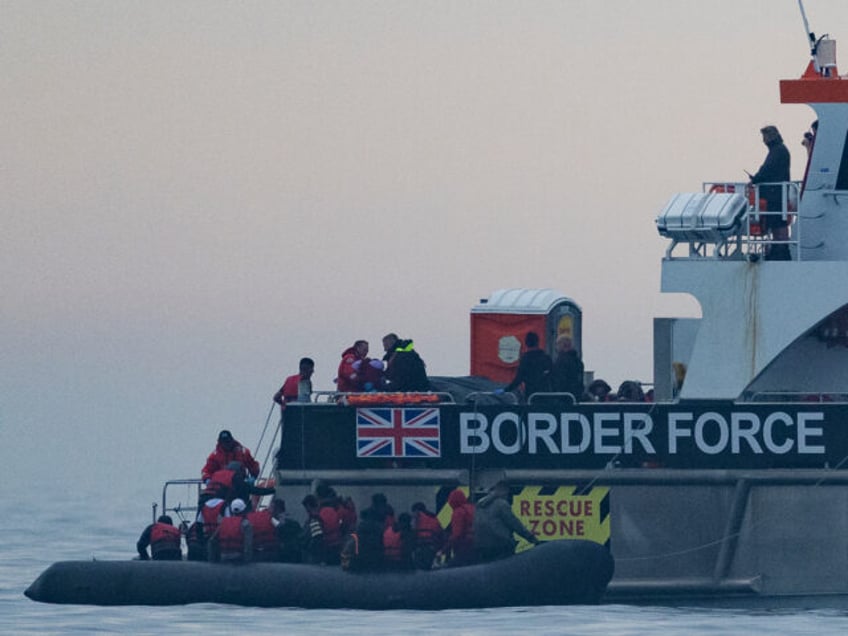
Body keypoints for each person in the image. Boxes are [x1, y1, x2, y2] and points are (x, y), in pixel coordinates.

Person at [749, 125, 791, 260]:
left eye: (764, 136)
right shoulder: (780, 150)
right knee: (777, 222)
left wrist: (756, 179)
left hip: (775, 194)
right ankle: (780, 248)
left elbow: (767, 169)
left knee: (778, 222)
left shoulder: (777, 151)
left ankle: (781, 250)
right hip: (776, 193)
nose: (763, 140)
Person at [473, 481, 539, 563]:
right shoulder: (501, 504)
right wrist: (531, 538)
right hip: (500, 545)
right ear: (503, 490)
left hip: (481, 546)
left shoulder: (479, 505)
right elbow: (515, 524)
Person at [502, 331, 552, 402]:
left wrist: (505, 390)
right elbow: (553, 375)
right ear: (538, 342)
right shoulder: (546, 357)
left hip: (531, 394)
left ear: (526, 344)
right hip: (546, 394)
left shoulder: (525, 359)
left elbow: (519, 378)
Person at [437, 488, 475, 567]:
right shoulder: (472, 508)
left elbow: (456, 534)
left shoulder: (458, 512)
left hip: (463, 546)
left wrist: (443, 550)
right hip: (476, 544)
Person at [209, 498, 253, 563]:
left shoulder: (223, 523)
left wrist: (213, 559)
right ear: (244, 510)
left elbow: (212, 541)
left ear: (232, 511)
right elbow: (248, 546)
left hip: (223, 557)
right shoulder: (246, 524)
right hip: (238, 558)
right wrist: (248, 561)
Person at [410, 502, 446, 570]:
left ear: (417, 510)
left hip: (420, 549)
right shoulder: (435, 519)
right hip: (432, 549)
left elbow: (413, 532)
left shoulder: (417, 516)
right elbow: (441, 535)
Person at [549, 335, 584, 402]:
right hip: (576, 396)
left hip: (562, 397)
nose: (556, 347)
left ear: (562, 345)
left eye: (557, 344)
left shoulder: (561, 361)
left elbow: (559, 380)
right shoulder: (578, 362)